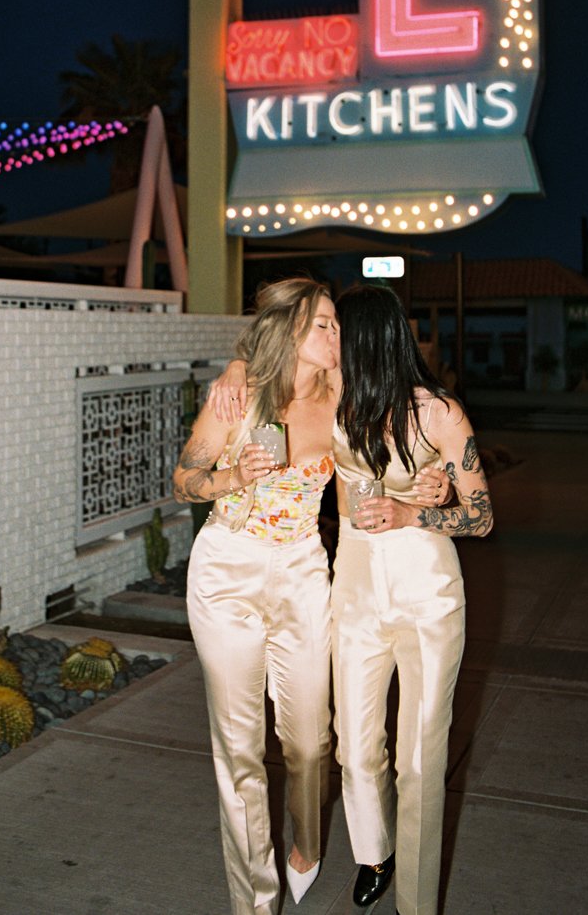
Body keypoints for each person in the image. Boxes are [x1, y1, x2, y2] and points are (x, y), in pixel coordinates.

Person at [210, 283, 490, 915]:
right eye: (327, 334)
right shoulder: (336, 410)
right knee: (357, 751)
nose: (331, 348)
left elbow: (481, 517)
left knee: (420, 760)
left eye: (341, 336)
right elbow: (273, 370)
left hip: (429, 598)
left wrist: (422, 508)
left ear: (373, 343)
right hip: (356, 595)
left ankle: (416, 904)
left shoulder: (439, 413)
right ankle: (374, 851)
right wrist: (234, 367)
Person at [172, 278, 340, 915]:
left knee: (308, 744)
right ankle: (255, 903)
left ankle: (308, 838)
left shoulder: (343, 395)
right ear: (292, 331)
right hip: (227, 575)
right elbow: (184, 479)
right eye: (322, 324)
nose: (334, 335)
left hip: (302, 572)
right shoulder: (237, 399)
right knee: (240, 751)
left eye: (336, 325)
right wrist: (227, 476)